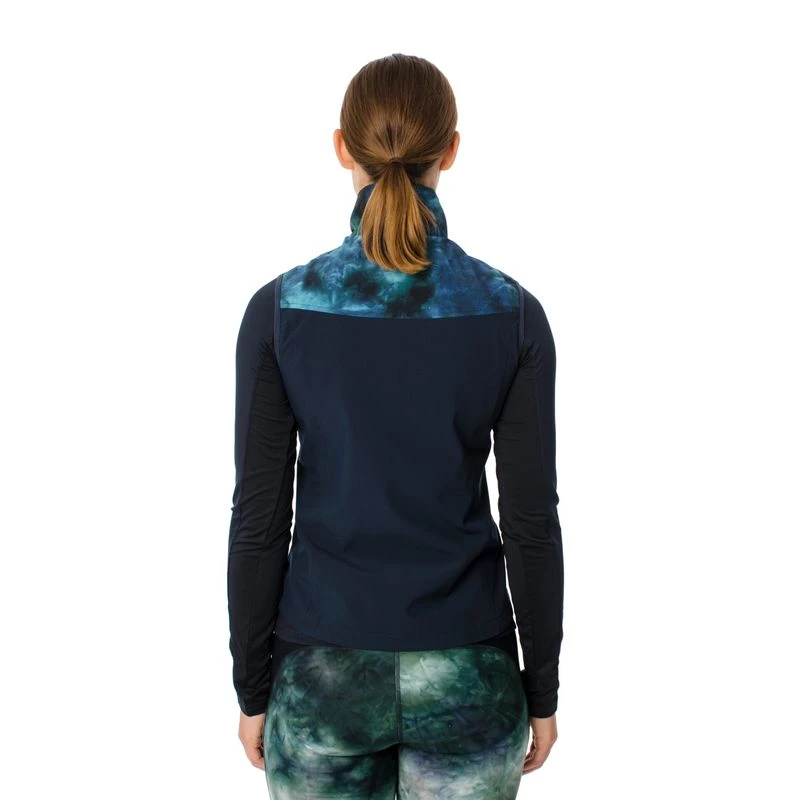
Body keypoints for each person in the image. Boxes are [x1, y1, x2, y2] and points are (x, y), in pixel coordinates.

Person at [227, 53, 564, 799]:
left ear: (341, 147)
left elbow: (258, 519)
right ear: (451, 151)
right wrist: (541, 689)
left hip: (320, 678)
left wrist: (252, 687)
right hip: (470, 675)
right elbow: (531, 523)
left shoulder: (281, 311)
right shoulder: (512, 314)